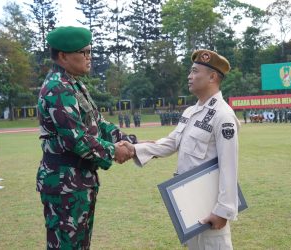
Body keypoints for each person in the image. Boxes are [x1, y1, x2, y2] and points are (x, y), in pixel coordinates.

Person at [36, 26, 136, 250]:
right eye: (84, 52)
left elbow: (97, 124)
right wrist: (115, 151)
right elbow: (77, 139)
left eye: (90, 51)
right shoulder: (57, 88)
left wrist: (130, 141)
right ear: (63, 56)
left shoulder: (73, 84)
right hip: (64, 184)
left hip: (79, 180)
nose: (89, 57)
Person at [132, 49, 240, 250]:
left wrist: (223, 211)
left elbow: (229, 166)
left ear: (212, 77)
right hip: (189, 201)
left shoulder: (223, 115)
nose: (189, 77)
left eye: (194, 71)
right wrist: (134, 149)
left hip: (210, 203)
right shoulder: (191, 111)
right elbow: (171, 142)